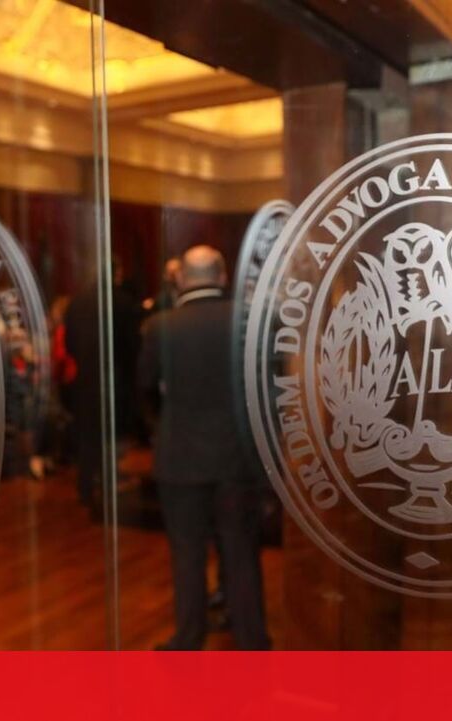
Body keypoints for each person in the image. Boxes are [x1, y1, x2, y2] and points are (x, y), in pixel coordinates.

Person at [138, 245, 270, 650]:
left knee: (187, 552)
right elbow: (268, 390)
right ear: (223, 275)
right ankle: (252, 639)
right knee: (241, 550)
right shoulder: (248, 321)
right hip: (237, 456)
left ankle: (188, 636)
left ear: (180, 279)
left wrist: (163, 426)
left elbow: (144, 389)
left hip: (180, 456)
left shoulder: (161, 327)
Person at [64, 257, 140, 515]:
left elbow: (70, 343)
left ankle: (87, 486)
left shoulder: (77, 302)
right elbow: (131, 346)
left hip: (85, 380)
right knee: (111, 435)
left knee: (88, 436)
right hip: (114, 379)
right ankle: (109, 484)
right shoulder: (122, 301)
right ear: (116, 273)